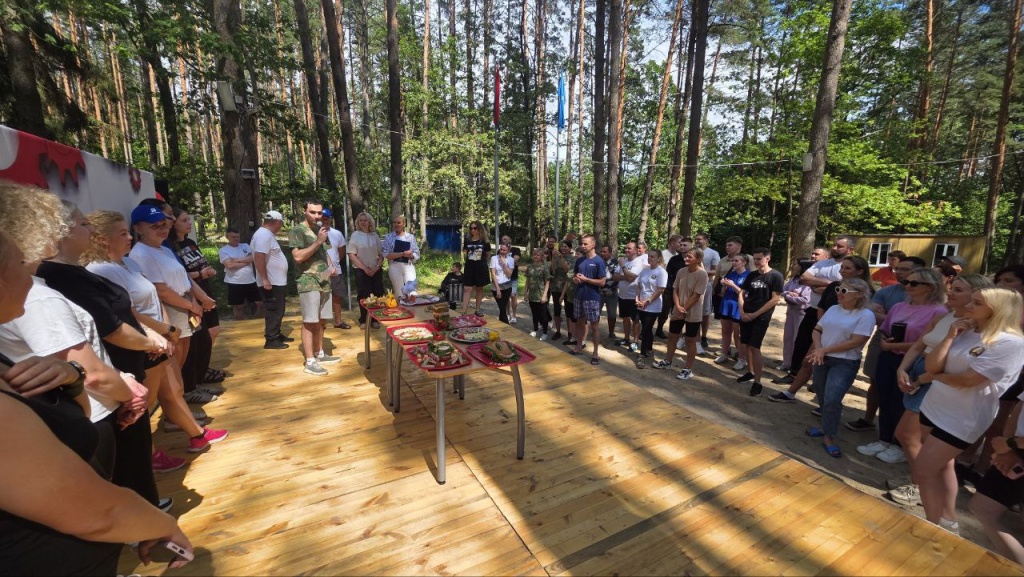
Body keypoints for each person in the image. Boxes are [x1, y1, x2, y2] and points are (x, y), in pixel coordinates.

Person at [0, 228, 194, 575]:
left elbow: (74, 411)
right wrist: (158, 524)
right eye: (19, 263)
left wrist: (71, 378)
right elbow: (94, 511)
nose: (32, 273)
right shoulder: (42, 302)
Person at [84, 210, 223, 465]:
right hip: (143, 344)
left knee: (173, 389)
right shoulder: (102, 270)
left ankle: (196, 436)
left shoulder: (129, 263)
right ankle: (145, 458)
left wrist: (167, 331)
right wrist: (159, 335)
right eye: (123, 233)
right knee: (144, 404)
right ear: (102, 239)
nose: (128, 238)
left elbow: (154, 301)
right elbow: (129, 312)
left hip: (159, 338)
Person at [914, 287, 1024, 534]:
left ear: (996, 310)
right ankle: (948, 520)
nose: (967, 306)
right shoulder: (968, 329)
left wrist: (935, 376)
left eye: (976, 303)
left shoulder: (1011, 342)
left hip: (962, 416)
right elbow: (932, 364)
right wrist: (951, 336)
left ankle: (933, 530)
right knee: (943, 466)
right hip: (935, 405)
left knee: (923, 470)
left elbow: (969, 380)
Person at [888, 274, 993, 506]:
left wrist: (922, 379)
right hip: (918, 372)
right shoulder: (945, 316)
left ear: (977, 295)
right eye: (951, 287)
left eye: (958, 289)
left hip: (934, 381)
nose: (951, 292)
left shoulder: (972, 326)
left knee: (908, 435)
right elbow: (919, 345)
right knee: (918, 438)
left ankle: (921, 486)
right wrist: (902, 369)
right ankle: (922, 481)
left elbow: (955, 363)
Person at [129, 205, 218, 408]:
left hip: (183, 305)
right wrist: (191, 305)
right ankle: (175, 410)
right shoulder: (142, 254)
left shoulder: (163, 249)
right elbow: (160, 290)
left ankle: (185, 396)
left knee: (183, 360)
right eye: (154, 225)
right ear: (139, 228)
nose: (162, 228)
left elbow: (184, 278)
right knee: (174, 364)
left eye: (163, 224)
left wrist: (196, 301)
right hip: (171, 308)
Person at [857, 268, 948, 465]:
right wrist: (886, 341)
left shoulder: (939, 312)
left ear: (930, 287)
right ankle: (884, 439)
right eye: (907, 282)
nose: (907, 286)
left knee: (902, 401)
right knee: (885, 397)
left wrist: (893, 345)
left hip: (911, 361)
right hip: (888, 357)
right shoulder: (899, 306)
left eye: (914, 283)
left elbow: (926, 343)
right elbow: (884, 329)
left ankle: (899, 445)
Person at [769, 255, 874, 403]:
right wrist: (824, 327)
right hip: (823, 332)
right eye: (842, 267)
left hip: (844, 339)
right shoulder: (834, 286)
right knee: (808, 362)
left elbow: (865, 318)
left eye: (847, 268)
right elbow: (822, 307)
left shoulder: (866, 292)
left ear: (860, 271)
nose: (842, 271)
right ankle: (791, 392)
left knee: (833, 377)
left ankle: (823, 403)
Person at [803, 278, 876, 459]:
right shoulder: (834, 309)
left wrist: (823, 350)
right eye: (838, 289)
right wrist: (820, 349)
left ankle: (829, 436)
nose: (838, 294)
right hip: (823, 357)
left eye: (844, 291)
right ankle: (826, 426)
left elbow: (857, 341)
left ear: (859, 295)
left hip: (844, 362)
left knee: (833, 398)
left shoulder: (866, 315)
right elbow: (817, 329)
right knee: (820, 392)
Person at [773, 236, 853, 384]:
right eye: (834, 245)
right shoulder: (822, 264)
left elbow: (847, 288)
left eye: (839, 246)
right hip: (813, 309)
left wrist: (827, 288)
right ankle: (794, 374)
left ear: (850, 250)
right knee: (801, 342)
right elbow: (804, 278)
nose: (835, 248)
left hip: (836, 314)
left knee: (826, 345)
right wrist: (832, 286)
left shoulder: (850, 267)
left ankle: (817, 380)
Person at [167, 207, 225, 393]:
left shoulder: (191, 243)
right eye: (184, 220)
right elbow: (181, 274)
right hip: (193, 296)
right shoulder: (171, 246)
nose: (189, 223)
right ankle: (195, 377)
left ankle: (202, 369)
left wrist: (207, 270)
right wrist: (201, 273)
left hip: (203, 291)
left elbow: (200, 263)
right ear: (174, 223)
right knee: (199, 338)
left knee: (213, 330)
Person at [968, 400, 1024, 565]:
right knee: (983, 508)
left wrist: (1009, 444)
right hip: (1015, 449)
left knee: (983, 509)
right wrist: (1007, 447)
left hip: (1017, 446)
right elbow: (1020, 405)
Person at [289, 201, 340, 376]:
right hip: (308, 280)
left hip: (323, 280)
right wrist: (318, 242)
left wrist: (331, 269)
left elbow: (325, 254)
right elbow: (297, 257)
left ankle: (320, 353)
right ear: (304, 211)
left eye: (319, 213)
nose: (317, 216)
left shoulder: (321, 229)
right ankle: (310, 361)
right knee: (310, 321)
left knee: (322, 320)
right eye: (312, 212)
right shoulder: (297, 230)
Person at [734, 248, 784, 396]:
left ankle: (758, 382)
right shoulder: (752, 275)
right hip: (746, 314)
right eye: (754, 259)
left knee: (755, 347)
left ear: (767, 258)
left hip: (761, 317)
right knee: (746, 344)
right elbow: (742, 293)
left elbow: (775, 299)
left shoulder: (776, 276)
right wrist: (742, 311)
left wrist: (755, 314)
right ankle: (750, 372)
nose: (756, 262)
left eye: (759, 259)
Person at [655, 248, 707, 381]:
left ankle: (688, 369)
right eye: (686, 256)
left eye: (690, 257)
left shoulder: (702, 275)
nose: (686, 259)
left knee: (690, 340)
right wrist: (678, 306)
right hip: (678, 309)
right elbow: (675, 290)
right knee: (672, 336)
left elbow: (696, 296)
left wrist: (684, 308)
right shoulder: (681, 271)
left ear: (698, 259)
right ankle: (668, 361)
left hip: (693, 312)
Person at [252, 210, 292, 348]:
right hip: (271, 281)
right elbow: (259, 257)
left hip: (276, 281)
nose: (280, 226)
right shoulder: (263, 235)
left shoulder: (265, 234)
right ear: (276, 222)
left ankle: (276, 333)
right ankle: (271, 339)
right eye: (280, 223)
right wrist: (265, 279)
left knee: (278, 308)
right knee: (274, 310)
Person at [569, 235, 607, 364]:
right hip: (579, 296)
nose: (583, 246)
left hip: (592, 298)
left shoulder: (599, 261)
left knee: (594, 326)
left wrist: (586, 279)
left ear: (593, 245)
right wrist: (576, 280)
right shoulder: (580, 261)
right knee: (580, 322)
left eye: (585, 244)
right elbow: (575, 276)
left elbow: (602, 282)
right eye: (582, 244)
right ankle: (579, 346)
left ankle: (595, 353)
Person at [347, 211, 385, 329]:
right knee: (364, 295)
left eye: (365, 220)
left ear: (370, 222)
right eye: (361, 220)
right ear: (358, 222)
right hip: (361, 270)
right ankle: (364, 319)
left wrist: (376, 267)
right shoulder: (355, 235)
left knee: (377, 294)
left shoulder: (375, 236)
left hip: (375, 270)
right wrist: (364, 268)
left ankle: (375, 319)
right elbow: (351, 254)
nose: (363, 222)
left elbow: (381, 254)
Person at [716, 253, 751, 369]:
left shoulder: (749, 276)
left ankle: (742, 359)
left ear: (744, 262)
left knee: (738, 335)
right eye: (733, 261)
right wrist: (724, 285)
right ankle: (724, 353)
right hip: (726, 305)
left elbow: (746, 294)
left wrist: (733, 285)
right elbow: (722, 293)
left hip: (738, 307)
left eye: (736, 261)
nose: (734, 263)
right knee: (725, 331)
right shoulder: (731, 274)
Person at [633, 250, 668, 367]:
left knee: (646, 329)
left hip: (653, 306)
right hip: (641, 304)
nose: (649, 258)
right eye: (649, 256)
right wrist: (637, 298)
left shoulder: (661, 272)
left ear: (659, 258)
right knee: (646, 328)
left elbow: (660, 290)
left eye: (652, 257)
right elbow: (639, 286)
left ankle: (642, 355)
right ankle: (649, 349)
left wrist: (647, 301)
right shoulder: (645, 270)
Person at [219, 227, 261, 321]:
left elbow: (253, 258)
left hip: (250, 280)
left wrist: (236, 260)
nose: (236, 239)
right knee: (238, 307)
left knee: (260, 303)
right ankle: (239, 324)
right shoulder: (223, 250)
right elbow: (229, 265)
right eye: (233, 237)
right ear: (227, 237)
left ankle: (259, 322)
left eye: (238, 237)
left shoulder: (245, 246)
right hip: (234, 282)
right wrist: (246, 262)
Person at [779, 259, 813, 372]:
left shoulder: (809, 282)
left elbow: (805, 300)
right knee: (787, 337)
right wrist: (790, 294)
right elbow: (783, 291)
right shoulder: (793, 279)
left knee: (796, 339)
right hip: (791, 311)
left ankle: (795, 366)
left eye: (795, 264)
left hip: (801, 313)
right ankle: (786, 363)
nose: (793, 266)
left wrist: (789, 295)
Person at [322, 209, 352, 329]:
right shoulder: (315, 233)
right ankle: (320, 323)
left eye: (327, 218)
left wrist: (334, 264)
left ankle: (338, 321)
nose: (325, 220)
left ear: (331, 219)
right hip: (321, 270)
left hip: (335, 270)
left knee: (337, 296)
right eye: (323, 217)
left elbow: (341, 251)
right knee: (322, 296)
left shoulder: (336, 234)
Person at [613, 241, 645, 352]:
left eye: (629, 248)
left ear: (636, 250)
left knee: (635, 320)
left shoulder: (638, 262)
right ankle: (626, 339)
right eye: (626, 248)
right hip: (622, 295)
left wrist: (623, 267)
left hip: (633, 297)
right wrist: (625, 276)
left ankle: (635, 342)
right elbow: (614, 277)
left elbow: (631, 278)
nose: (626, 250)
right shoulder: (623, 260)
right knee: (625, 318)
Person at [383, 214, 420, 301]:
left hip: (408, 266)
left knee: (411, 291)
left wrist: (411, 255)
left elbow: (417, 254)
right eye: (394, 223)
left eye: (398, 222)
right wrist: (402, 254)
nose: (396, 224)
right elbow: (386, 254)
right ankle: (401, 313)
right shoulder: (388, 237)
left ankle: (413, 312)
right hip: (394, 266)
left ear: (403, 224)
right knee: (399, 293)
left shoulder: (410, 237)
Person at [657, 235, 685, 340]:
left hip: (676, 287)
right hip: (665, 286)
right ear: (672, 243)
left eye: (683, 244)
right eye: (679, 243)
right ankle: (659, 328)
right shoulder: (663, 254)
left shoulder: (679, 257)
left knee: (675, 309)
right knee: (664, 309)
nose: (680, 245)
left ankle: (675, 331)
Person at [695, 233, 720, 349]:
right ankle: (693, 336)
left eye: (699, 239)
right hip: (693, 285)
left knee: (705, 313)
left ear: (706, 240)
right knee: (693, 312)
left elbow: (715, 271)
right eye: (696, 239)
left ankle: (704, 336)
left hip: (707, 285)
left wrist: (701, 272)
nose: (697, 241)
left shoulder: (713, 253)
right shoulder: (693, 251)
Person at [462, 220, 491, 316]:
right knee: (467, 289)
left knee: (479, 289)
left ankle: (477, 310)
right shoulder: (467, 240)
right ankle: (464, 311)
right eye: (471, 228)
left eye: (475, 228)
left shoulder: (485, 241)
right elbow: (465, 252)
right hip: (469, 267)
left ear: (479, 229)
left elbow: (488, 255)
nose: (472, 230)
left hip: (480, 267)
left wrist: (482, 263)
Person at [524, 248, 552, 340]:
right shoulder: (530, 267)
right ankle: (535, 329)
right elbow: (527, 280)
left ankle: (544, 333)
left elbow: (547, 282)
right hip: (532, 295)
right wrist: (525, 293)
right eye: (534, 254)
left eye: (538, 255)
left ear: (541, 257)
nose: (536, 256)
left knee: (543, 315)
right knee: (534, 314)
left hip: (541, 295)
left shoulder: (544, 268)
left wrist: (544, 295)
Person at [550, 241, 572, 340]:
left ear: (570, 248)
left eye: (565, 247)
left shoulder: (572, 259)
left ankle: (570, 332)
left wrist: (561, 258)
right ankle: (558, 331)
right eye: (561, 247)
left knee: (568, 311)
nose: (563, 248)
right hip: (556, 287)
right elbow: (553, 270)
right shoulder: (556, 257)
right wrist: (554, 259)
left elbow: (567, 270)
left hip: (567, 288)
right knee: (557, 310)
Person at [489, 243, 516, 324]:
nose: (502, 251)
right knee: (502, 307)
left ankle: (502, 325)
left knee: (503, 308)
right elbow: (493, 274)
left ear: (508, 251)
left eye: (504, 250)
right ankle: (507, 326)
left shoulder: (511, 260)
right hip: (496, 286)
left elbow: (509, 275)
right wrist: (498, 289)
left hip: (507, 286)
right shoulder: (494, 258)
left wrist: (504, 264)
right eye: (501, 249)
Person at [500, 234, 522, 324]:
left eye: (505, 239)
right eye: (502, 239)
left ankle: (514, 315)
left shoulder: (516, 250)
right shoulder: (500, 250)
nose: (503, 240)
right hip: (503, 277)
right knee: (506, 297)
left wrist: (505, 262)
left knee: (513, 295)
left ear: (510, 240)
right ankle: (508, 314)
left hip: (513, 277)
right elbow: (498, 262)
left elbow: (515, 260)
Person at [599, 245, 619, 340]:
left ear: (610, 252)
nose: (602, 253)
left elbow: (618, 276)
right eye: (601, 252)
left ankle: (611, 332)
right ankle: (595, 331)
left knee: (612, 315)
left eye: (605, 252)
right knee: (596, 313)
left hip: (612, 293)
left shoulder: (616, 263)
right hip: (599, 292)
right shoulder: (598, 261)